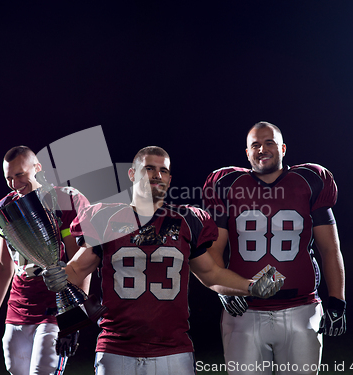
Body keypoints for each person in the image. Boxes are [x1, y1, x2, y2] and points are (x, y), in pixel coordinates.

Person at [42, 146, 284, 375]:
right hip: (115, 350)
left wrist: (251, 286)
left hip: (173, 350)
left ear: (169, 178)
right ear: (131, 173)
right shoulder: (106, 218)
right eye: (149, 168)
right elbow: (76, 270)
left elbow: (211, 274)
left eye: (163, 170)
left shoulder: (186, 220)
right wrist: (56, 274)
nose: (157, 175)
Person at [203, 122, 346, 375]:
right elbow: (215, 250)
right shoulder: (226, 184)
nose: (262, 149)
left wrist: (337, 300)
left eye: (269, 142)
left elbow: (330, 248)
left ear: (283, 148)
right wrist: (222, 289)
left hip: (301, 309)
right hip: (245, 311)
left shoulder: (309, 181)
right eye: (255, 144)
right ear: (247, 153)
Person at [0, 146, 91, 375]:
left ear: (37, 169)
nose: (14, 183)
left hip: (56, 307)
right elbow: (4, 265)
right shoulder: (4, 207)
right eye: (8, 178)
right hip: (19, 305)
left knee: (44, 371)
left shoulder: (63, 201)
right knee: (15, 369)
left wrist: (74, 318)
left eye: (20, 175)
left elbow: (81, 263)